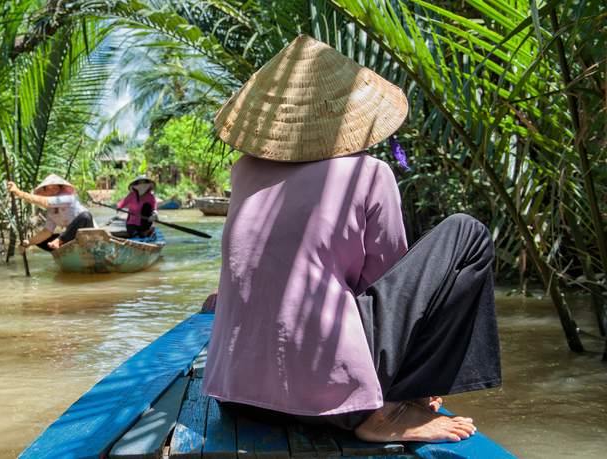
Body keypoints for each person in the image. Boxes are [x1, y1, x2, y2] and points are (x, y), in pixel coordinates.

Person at [202, 35, 501, 443]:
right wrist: (415, 374)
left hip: (234, 393)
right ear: (345, 115)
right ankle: (386, 411)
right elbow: (389, 285)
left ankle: (389, 397)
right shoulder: (369, 174)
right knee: (467, 232)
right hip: (331, 403)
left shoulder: (244, 173)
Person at [6, 174, 94, 251]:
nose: (53, 189)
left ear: (60, 188)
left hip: (89, 234)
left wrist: (19, 193)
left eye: (56, 187)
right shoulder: (51, 211)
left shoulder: (67, 198)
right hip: (72, 237)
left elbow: (46, 201)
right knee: (42, 241)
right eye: (49, 188)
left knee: (85, 216)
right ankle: (61, 249)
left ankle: (59, 241)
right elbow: (47, 232)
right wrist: (28, 243)